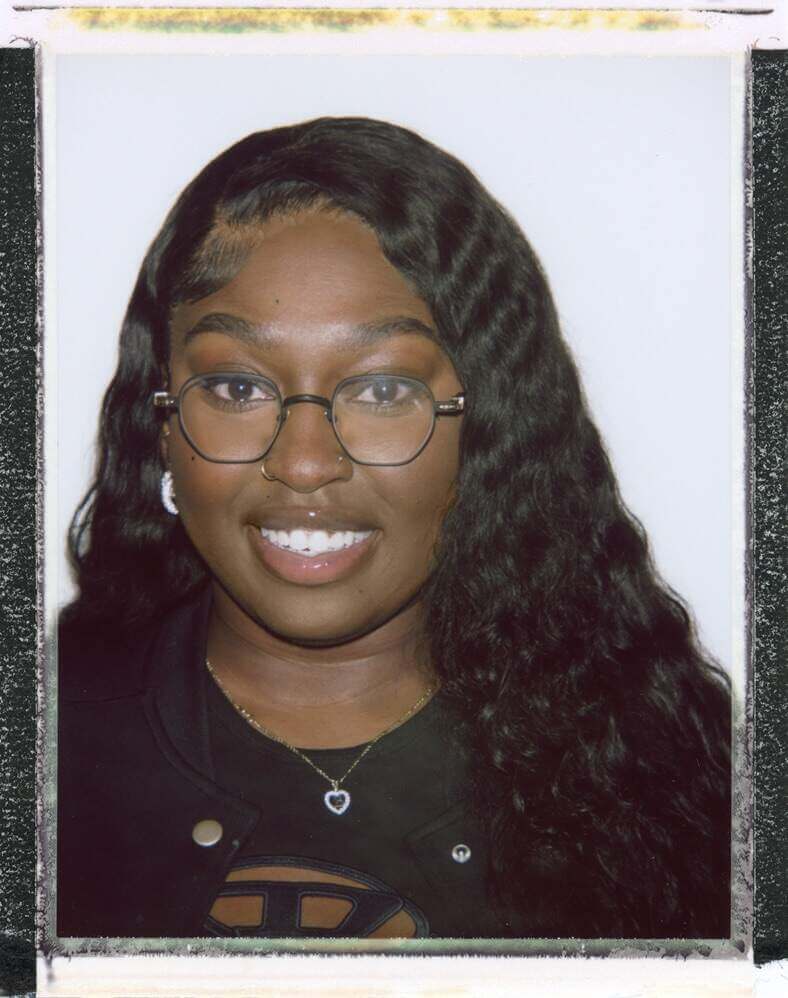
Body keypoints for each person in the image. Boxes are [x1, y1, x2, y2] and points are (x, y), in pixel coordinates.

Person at [57, 117, 731, 940]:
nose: (305, 464)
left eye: (381, 392)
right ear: (162, 419)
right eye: (236, 388)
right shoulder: (46, 745)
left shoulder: (675, 786)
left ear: (488, 429)